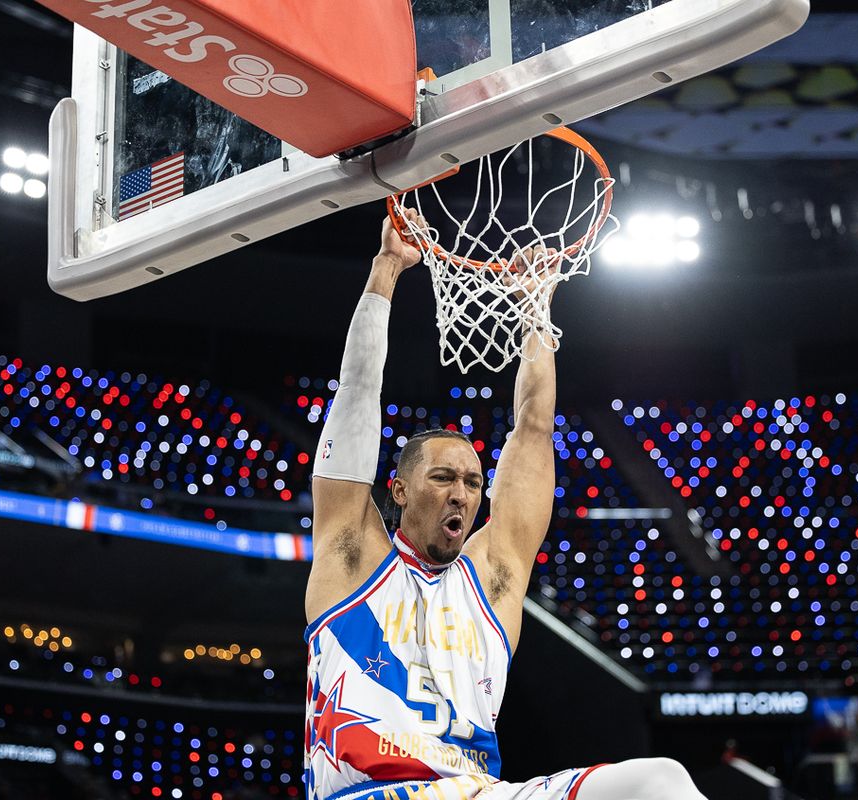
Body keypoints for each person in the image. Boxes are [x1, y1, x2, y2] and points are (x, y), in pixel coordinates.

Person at [303, 212, 707, 800]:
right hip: (364, 794)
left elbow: (534, 429)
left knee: (659, 780)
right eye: (442, 477)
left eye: (471, 480)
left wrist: (537, 307)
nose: (461, 492)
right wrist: (386, 271)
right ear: (398, 490)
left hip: (472, 791)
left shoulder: (490, 579)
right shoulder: (352, 559)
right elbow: (358, 393)